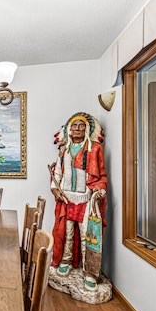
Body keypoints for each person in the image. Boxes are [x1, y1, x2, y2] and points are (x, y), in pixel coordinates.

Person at [49, 112, 107, 291]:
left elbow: (101, 174)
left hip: (85, 199)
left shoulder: (95, 148)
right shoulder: (64, 149)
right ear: (68, 129)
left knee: (87, 236)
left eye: (81, 126)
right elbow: (58, 172)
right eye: (74, 126)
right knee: (66, 234)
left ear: (88, 128)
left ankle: (89, 271)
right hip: (67, 199)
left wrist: (99, 189)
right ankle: (66, 260)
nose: (78, 129)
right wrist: (54, 188)